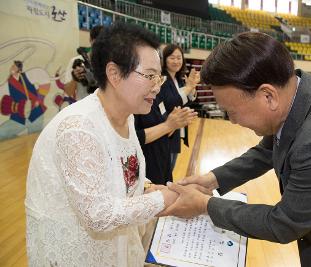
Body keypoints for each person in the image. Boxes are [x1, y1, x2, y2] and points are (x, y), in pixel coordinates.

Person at [161, 32, 311, 265]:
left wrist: (205, 205)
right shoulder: (299, 91)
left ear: (268, 96)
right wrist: (211, 180)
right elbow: (267, 150)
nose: (232, 120)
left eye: (231, 111)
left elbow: (284, 223)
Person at [25, 22, 179, 266]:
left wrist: (148, 188)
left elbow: (118, 174)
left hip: (114, 249)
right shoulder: (79, 128)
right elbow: (98, 215)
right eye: (149, 76)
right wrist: (165, 198)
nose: (157, 86)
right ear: (114, 74)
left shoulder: (126, 116)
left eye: (158, 77)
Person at [158, 44, 200, 170]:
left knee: (170, 169)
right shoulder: (162, 79)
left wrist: (191, 88)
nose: (176, 61)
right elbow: (171, 102)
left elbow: (185, 101)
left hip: (176, 131)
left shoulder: (179, 79)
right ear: (165, 59)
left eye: (179, 58)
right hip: (165, 131)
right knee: (165, 170)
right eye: (172, 57)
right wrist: (188, 88)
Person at [135, 104, 197, 185]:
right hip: (148, 166)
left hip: (163, 156)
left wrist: (174, 124)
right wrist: (168, 126)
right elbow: (134, 137)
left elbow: (163, 128)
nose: (156, 90)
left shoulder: (154, 99)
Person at [63, 25, 103, 101]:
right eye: (98, 42)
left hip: (104, 109)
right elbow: (68, 92)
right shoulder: (76, 61)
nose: (101, 47)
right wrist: (75, 79)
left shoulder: (109, 63)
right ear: (91, 40)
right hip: (84, 108)